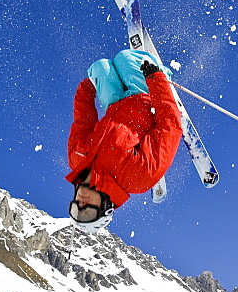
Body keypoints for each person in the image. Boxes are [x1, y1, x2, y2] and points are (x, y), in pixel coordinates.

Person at [66, 48, 182, 230]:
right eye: (88, 212)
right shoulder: (136, 179)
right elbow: (169, 126)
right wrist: (157, 80)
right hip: (146, 98)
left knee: (99, 68)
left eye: (75, 210)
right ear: (105, 208)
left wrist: (85, 91)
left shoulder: (77, 162)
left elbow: (83, 122)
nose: (81, 204)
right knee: (124, 58)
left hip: (115, 104)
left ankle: (118, 73)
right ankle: (162, 71)